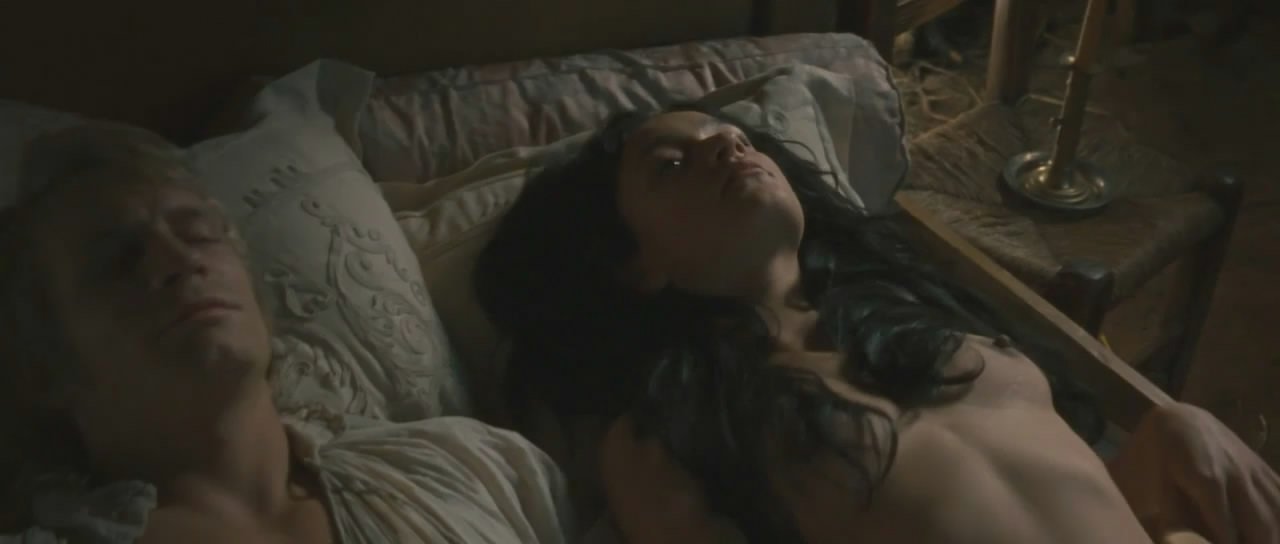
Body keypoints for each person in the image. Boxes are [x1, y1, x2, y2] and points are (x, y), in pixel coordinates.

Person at [474, 104, 1280, 544]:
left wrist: (1170, 434)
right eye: (673, 165)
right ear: (633, 267)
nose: (726, 149)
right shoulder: (662, 431)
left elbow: (1056, 500)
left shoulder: (906, 303)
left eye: (733, 136)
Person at [0, 123, 576, 543]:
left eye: (198, 233)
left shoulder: (467, 469)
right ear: (45, 367)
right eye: (115, 261)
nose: (178, 261)